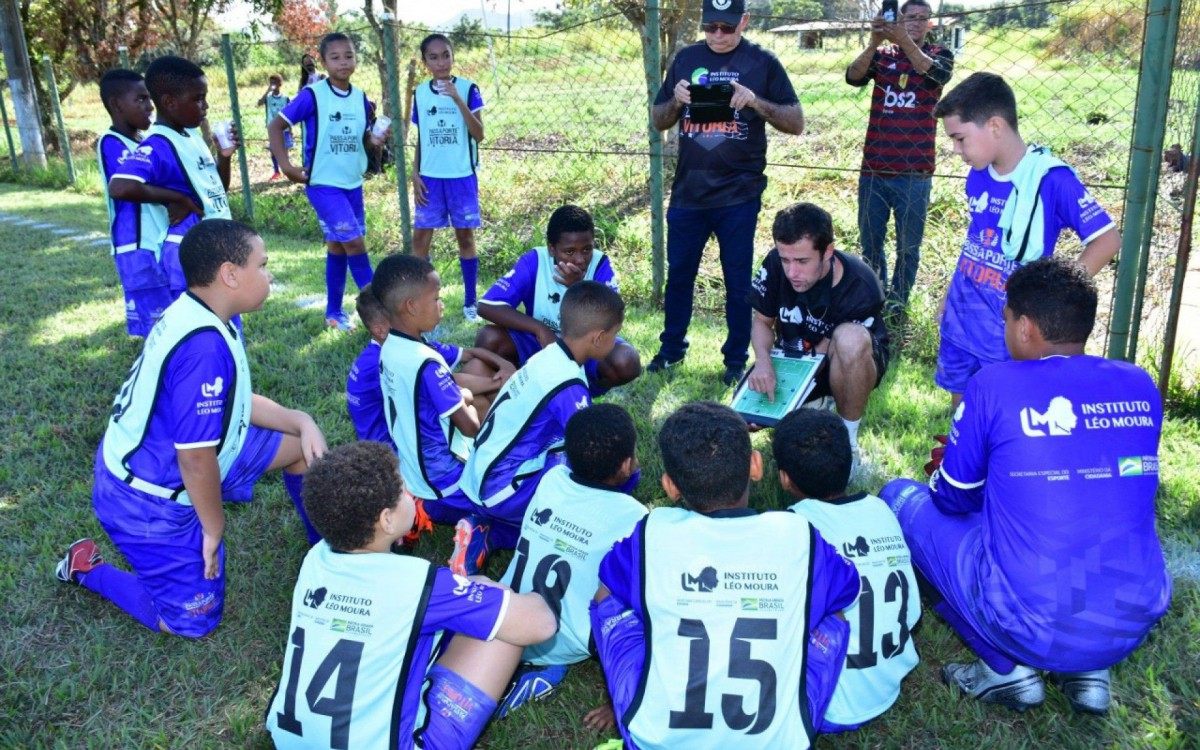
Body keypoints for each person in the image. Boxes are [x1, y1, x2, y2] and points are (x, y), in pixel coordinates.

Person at [881, 256, 1171, 715]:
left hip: (1028, 622)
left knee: (898, 500)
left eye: (1007, 318)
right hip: (1130, 621)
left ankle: (1004, 669)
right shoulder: (1139, 383)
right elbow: (1108, 477)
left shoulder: (994, 383)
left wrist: (950, 467)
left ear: (1025, 327)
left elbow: (953, 497)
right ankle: (1088, 671)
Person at [54, 220, 327, 637]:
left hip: (192, 456)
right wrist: (213, 527)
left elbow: (233, 402)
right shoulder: (203, 347)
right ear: (230, 275)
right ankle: (86, 567)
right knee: (193, 622)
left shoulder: (205, 311)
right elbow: (195, 459)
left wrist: (300, 420)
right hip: (149, 499)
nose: (269, 275)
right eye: (263, 265)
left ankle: (327, 552)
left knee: (296, 446)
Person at [592, 401, 860, 748]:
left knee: (608, 595)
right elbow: (847, 588)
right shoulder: (799, 533)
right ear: (756, 465)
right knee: (833, 611)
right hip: (779, 741)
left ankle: (641, 692)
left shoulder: (652, 531)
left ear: (670, 486)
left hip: (655, 739)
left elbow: (608, 580)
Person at [264, 442, 558, 749]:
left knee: (455, 614)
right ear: (387, 520)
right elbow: (540, 625)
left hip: (290, 740)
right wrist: (497, 589)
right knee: (502, 627)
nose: (411, 497)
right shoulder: (416, 582)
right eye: (404, 492)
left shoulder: (315, 560)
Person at [934, 72, 1119, 408]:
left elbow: (1107, 240)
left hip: (1008, 334)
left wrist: (1049, 299)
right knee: (962, 419)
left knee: (1002, 422)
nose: (956, 150)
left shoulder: (1052, 179)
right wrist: (949, 295)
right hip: (961, 322)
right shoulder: (977, 176)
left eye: (960, 139)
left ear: (994, 126)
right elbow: (976, 241)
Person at [647, 0, 804, 387]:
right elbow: (658, 118)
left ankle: (735, 358)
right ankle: (671, 350)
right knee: (679, 275)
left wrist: (755, 101)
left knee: (737, 281)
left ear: (744, 22)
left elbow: (796, 121)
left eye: (727, 27)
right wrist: (676, 101)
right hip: (689, 194)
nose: (718, 35)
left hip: (738, 194)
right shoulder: (685, 59)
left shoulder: (762, 63)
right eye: (711, 26)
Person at [454, 280, 626, 573]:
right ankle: (493, 532)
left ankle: (484, 528)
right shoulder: (569, 386)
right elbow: (593, 452)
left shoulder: (548, 356)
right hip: (500, 489)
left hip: (482, 474)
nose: (617, 342)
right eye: (615, 335)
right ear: (598, 338)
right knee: (608, 475)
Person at [495, 404, 648, 717]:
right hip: (566, 640)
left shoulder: (552, 478)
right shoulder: (635, 517)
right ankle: (553, 665)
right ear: (626, 465)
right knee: (639, 598)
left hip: (508, 615)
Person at [776, 409, 920, 732]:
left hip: (828, 704)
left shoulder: (794, 528)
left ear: (785, 478)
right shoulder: (881, 509)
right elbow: (911, 615)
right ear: (849, 464)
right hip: (888, 681)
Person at [373, 254, 515, 528]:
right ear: (411, 306)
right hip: (449, 487)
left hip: (415, 476)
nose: (442, 304)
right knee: (523, 506)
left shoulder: (388, 348)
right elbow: (472, 427)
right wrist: (470, 401)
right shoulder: (427, 362)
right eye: (436, 298)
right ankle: (476, 535)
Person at [747, 203, 889, 466]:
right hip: (795, 357)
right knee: (747, 417)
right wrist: (764, 364)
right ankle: (813, 407)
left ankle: (848, 443)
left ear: (828, 252)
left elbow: (833, 348)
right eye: (785, 259)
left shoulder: (861, 284)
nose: (791, 272)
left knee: (850, 339)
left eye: (802, 261)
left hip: (849, 359)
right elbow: (762, 322)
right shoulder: (774, 264)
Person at [269, 32, 388, 332]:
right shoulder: (313, 95)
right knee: (355, 242)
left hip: (352, 184)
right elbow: (276, 125)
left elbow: (363, 140)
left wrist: (374, 140)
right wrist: (286, 166)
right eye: (335, 57)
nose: (343, 62)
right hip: (323, 183)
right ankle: (382, 315)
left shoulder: (361, 98)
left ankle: (334, 312)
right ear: (323, 62)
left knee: (338, 245)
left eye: (348, 55)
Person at [845, 0, 954, 311]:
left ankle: (897, 308)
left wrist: (902, 39)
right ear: (899, 19)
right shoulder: (882, 57)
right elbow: (853, 77)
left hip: (914, 174)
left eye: (922, 18)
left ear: (930, 24)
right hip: (874, 171)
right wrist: (874, 42)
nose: (916, 23)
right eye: (909, 18)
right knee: (870, 246)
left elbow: (936, 76)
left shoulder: (939, 55)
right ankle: (873, 304)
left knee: (908, 249)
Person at [107, 55, 237, 301]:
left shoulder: (192, 136)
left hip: (217, 245)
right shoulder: (158, 144)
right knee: (198, 331)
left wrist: (224, 156)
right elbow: (120, 186)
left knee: (227, 330)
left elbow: (217, 191)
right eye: (198, 99)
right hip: (191, 256)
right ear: (169, 102)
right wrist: (177, 199)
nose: (205, 106)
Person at [475, 204, 641, 395]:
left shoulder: (600, 264)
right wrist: (540, 329)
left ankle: (579, 392)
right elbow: (487, 306)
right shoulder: (536, 261)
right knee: (489, 338)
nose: (580, 259)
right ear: (552, 248)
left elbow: (614, 317)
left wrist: (578, 287)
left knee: (626, 361)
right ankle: (521, 392)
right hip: (540, 344)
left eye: (586, 249)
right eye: (569, 251)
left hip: (585, 348)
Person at [411, 33, 486, 323]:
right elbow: (423, 138)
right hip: (430, 178)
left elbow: (479, 134)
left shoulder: (468, 89)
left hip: (461, 177)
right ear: (425, 61)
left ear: (453, 57)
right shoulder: (420, 92)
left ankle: (470, 303)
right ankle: (419, 301)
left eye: (446, 55)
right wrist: (415, 172)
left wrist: (456, 98)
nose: (441, 61)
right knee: (420, 239)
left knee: (465, 237)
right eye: (434, 56)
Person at [96, 68, 172, 337]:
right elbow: (126, 188)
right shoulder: (112, 143)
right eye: (140, 99)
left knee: (172, 318)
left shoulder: (145, 141)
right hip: (136, 247)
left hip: (157, 243)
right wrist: (178, 198)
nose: (149, 106)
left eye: (149, 99)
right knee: (155, 327)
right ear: (117, 105)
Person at [257, 73, 292, 181]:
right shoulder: (268, 98)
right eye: (271, 82)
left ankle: (288, 171)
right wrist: (268, 90)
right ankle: (276, 171)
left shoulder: (285, 98)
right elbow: (259, 103)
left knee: (285, 151)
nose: (273, 84)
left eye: (275, 82)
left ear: (280, 84)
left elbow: (289, 114)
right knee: (273, 150)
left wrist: (290, 129)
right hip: (272, 128)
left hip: (284, 128)